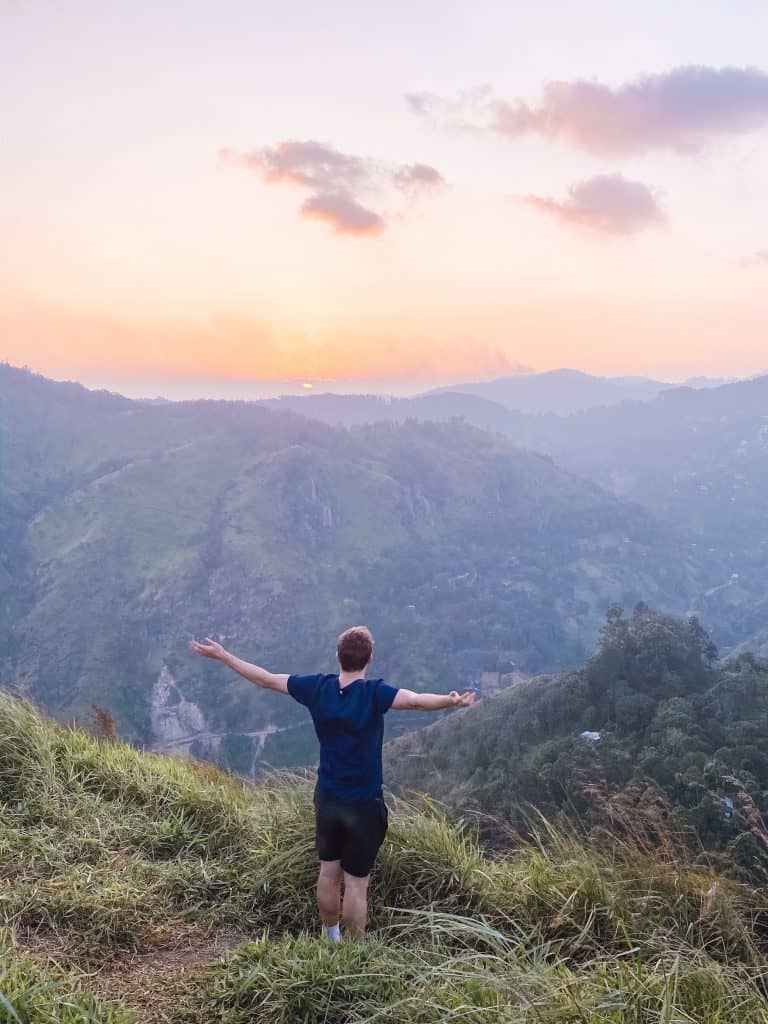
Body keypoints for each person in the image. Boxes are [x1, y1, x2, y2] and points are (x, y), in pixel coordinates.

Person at [189, 625, 474, 939]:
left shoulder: (318, 688)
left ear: (337, 656)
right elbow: (417, 701)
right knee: (355, 883)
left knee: (328, 871)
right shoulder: (374, 692)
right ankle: (352, 954)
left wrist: (223, 655)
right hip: (364, 802)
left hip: (328, 798)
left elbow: (265, 679)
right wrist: (451, 701)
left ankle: (332, 937)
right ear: (369, 659)